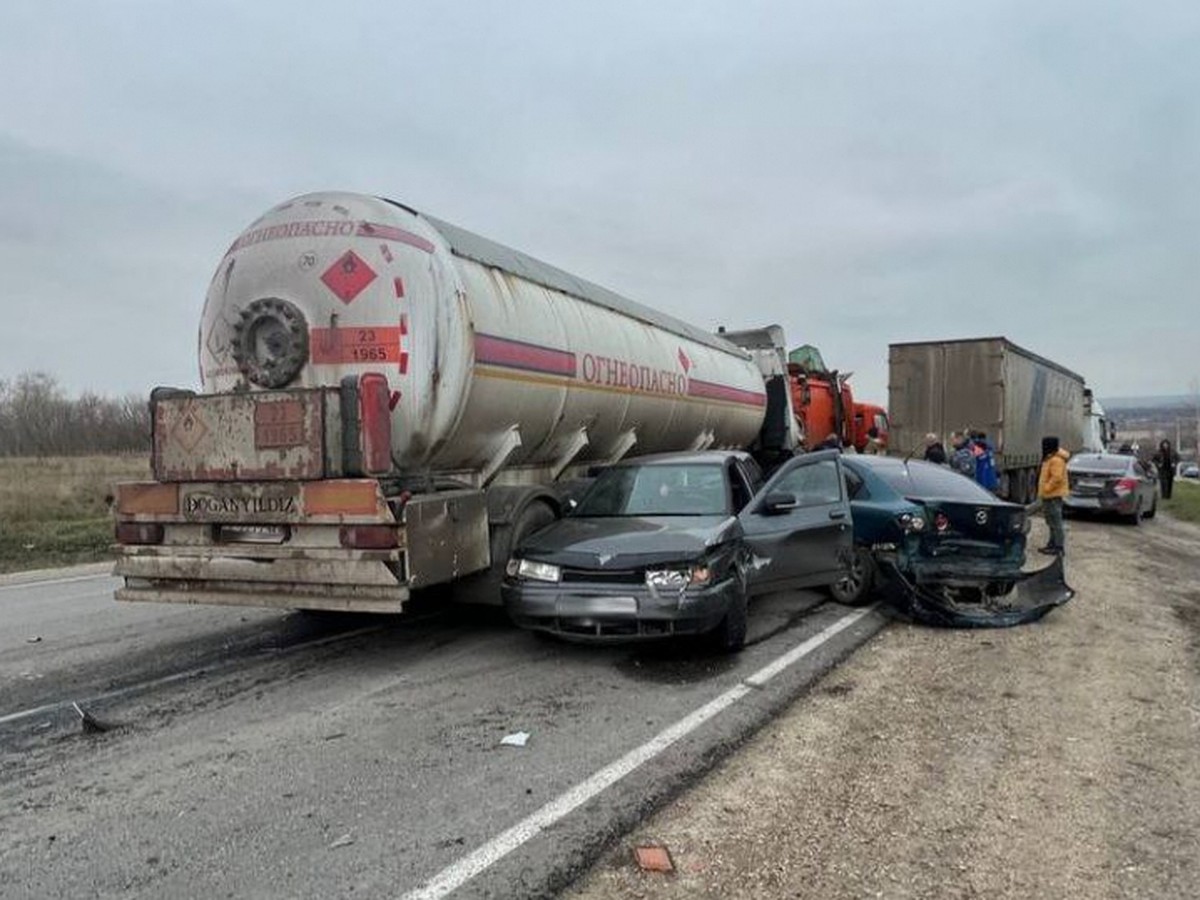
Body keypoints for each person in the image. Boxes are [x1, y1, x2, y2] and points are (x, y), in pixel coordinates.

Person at [1038, 436, 1070, 555]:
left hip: (1053, 496)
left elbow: (1057, 478)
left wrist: (1046, 488)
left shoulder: (1056, 460)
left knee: (1056, 522)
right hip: (1049, 496)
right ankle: (1052, 544)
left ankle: (1059, 547)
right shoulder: (1050, 458)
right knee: (1051, 522)